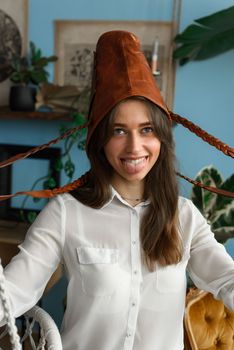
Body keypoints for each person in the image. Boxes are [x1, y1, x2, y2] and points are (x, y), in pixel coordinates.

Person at [0, 30, 234, 350]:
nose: (134, 146)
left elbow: (227, 280)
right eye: (119, 130)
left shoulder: (185, 217)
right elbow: (12, 294)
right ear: (100, 140)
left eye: (146, 130)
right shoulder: (66, 213)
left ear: (161, 139)